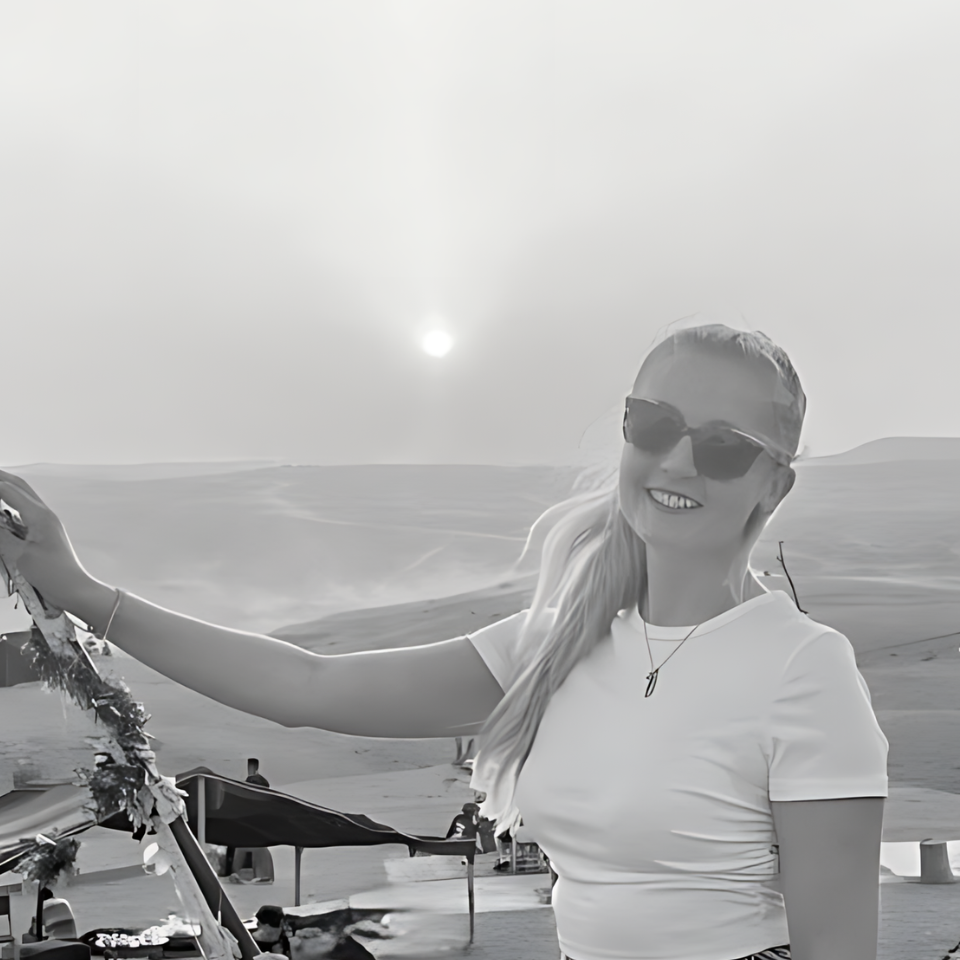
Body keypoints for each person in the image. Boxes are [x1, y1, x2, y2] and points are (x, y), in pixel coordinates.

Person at [0, 316, 888, 960]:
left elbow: (837, 952)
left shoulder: (803, 671)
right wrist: (80, 591)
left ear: (774, 486)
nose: (677, 462)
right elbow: (307, 688)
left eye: (724, 447)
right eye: (653, 427)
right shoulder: (552, 645)